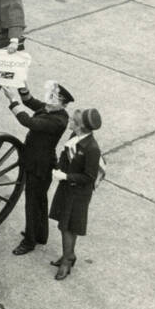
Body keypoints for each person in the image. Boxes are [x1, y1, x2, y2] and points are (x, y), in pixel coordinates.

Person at [4, 81, 72, 256]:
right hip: (38, 162)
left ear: (63, 104)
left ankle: (29, 241)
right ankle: (41, 234)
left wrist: (12, 100)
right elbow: (30, 101)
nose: (49, 100)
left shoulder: (58, 120)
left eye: (54, 98)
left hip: (40, 166)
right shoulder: (50, 109)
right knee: (40, 200)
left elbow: (28, 121)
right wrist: (22, 85)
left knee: (32, 202)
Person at [49, 107, 103, 280]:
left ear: (79, 126)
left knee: (67, 226)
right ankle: (69, 255)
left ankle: (67, 260)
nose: (69, 122)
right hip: (67, 187)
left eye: (72, 120)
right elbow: (66, 156)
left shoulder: (92, 148)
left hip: (78, 193)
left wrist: (66, 176)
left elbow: (89, 177)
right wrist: (59, 168)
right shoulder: (75, 138)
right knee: (66, 224)